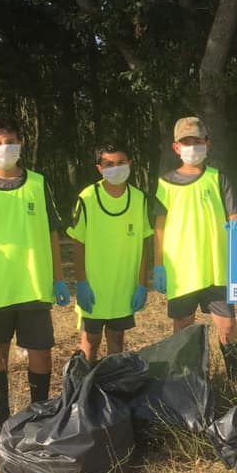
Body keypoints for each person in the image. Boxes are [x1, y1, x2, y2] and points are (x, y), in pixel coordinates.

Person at [0, 115, 70, 433]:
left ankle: (40, 413)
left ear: (20, 144)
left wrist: (59, 277)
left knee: (41, 350)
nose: (5, 148)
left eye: (10, 142)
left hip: (34, 286)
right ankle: (2, 420)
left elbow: (52, 232)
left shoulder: (38, 182)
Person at [152, 116, 237, 381]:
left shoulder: (218, 178)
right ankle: (184, 382)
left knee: (228, 327)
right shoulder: (165, 183)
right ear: (176, 147)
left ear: (208, 144)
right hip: (181, 270)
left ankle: (235, 381)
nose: (192, 147)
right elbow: (159, 226)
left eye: (197, 141)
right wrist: (158, 265)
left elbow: (234, 214)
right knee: (182, 327)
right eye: (186, 142)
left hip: (217, 268)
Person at [67, 141, 153, 363]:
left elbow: (144, 243)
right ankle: (84, 391)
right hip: (94, 287)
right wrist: (81, 283)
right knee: (90, 342)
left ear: (130, 163)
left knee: (116, 341)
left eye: (121, 162)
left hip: (123, 287)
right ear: (99, 168)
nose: (116, 168)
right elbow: (78, 242)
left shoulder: (139, 198)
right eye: (109, 164)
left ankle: (113, 390)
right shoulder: (87, 198)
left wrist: (142, 283)